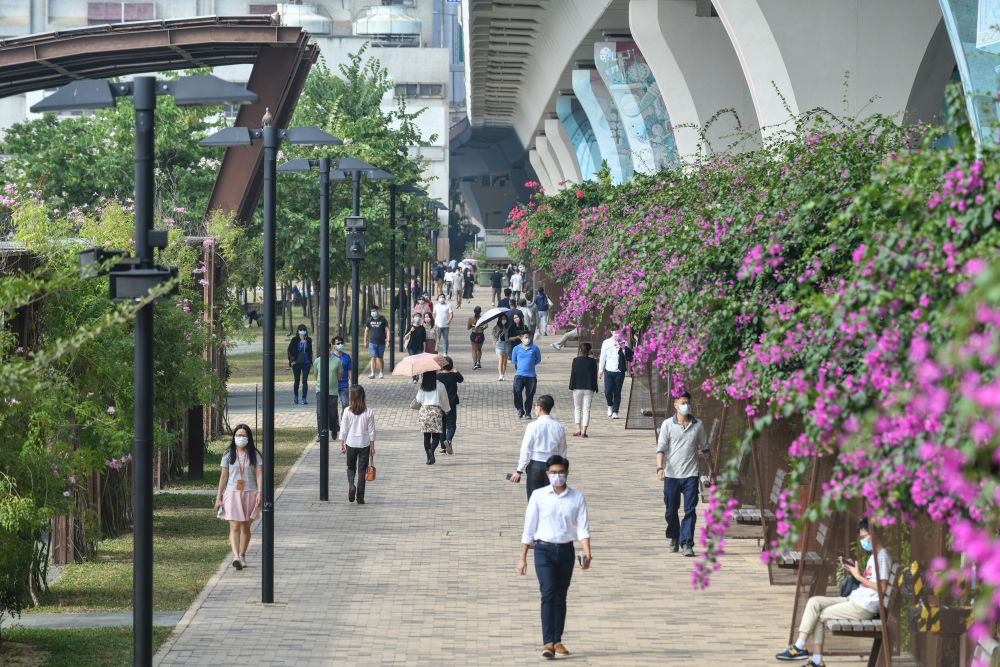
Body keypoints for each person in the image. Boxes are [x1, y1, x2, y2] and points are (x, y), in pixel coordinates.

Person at [775, 519, 893, 667]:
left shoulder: (882, 557)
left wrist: (858, 577)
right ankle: (801, 647)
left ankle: (813, 657)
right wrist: (853, 570)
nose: (863, 541)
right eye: (861, 538)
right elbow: (872, 581)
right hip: (855, 600)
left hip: (863, 608)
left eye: (864, 537)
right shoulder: (874, 555)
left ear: (874, 534)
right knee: (814, 602)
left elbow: (882, 588)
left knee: (819, 616)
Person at [517, 454, 591, 659]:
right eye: (553, 473)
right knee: (548, 592)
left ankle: (557, 640)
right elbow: (529, 528)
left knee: (560, 595)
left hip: (566, 551)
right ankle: (547, 641)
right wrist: (522, 557)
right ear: (547, 473)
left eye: (561, 472)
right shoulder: (539, 496)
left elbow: (583, 528)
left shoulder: (576, 497)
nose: (557, 476)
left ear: (567, 473)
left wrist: (587, 552)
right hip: (543, 551)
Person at [656, 391, 708, 557]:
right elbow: (661, 449)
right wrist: (660, 468)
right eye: (682, 402)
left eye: (687, 402)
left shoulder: (698, 425)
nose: (686, 405)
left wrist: (711, 469)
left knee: (690, 510)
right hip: (671, 475)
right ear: (675, 405)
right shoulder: (667, 425)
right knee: (671, 511)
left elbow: (705, 449)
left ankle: (687, 542)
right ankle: (674, 536)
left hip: (691, 475)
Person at [214, 424, 263, 571]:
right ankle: (235, 556)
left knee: (246, 526)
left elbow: (259, 473)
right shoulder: (228, 454)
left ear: (249, 437)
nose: (240, 438)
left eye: (243, 435)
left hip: (249, 492)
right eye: (238, 435)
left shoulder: (255, 454)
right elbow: (223, 476)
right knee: (234, 526)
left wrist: (260, 492)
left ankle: (242, 555)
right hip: (232, 493)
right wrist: (218, 497)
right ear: (234, 436)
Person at [510, 395, 567, 498]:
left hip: (535, 466)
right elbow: (562, 451)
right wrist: (562, 470)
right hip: (552, 466)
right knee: (551, 499)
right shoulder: (559, 427)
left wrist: (519, 470)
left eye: (535, 406)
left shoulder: (533, 426)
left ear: (539, 408)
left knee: (533, 500)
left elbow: (526, 449)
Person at [339, 385, 375, 505]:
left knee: (351, 468)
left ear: (352, 397)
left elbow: (343, 429)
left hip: (351, 443)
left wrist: (342, 443)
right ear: (363, 397)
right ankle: (360, 497)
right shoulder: (369, 412)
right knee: (362, 471)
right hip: (364, 444)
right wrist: (372, 446)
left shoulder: (347, 411)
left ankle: (351, 486)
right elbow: (371, 431)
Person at [415, 369, 451, 465]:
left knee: (426, 436)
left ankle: (428, 458)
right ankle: (432, 450)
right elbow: (444, 399)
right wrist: (447, 410)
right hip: (436, 412)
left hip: (424, 412)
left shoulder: (423, 386)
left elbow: (418, 399)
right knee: (435, 436)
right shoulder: (440, 385)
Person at [311, 338, 343, 443]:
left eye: (328, 349)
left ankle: (334, 429)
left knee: (332, 413)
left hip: (332, 391)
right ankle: (321, 434)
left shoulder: (337, 361)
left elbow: (339, 375)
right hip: (320, 390)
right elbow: (316, 375)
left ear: (331, 349)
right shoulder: (317, 361)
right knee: (320, 412)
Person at [598, 330, 632, 419]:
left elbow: (628, 357)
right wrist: (600, 370)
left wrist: (624, 349)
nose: (617, 334)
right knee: (607, 392)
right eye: (615, 332)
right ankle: (610, 405)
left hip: (619, 372)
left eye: (618, 332)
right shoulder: (606, 342)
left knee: (617, 392)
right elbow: (602, 357)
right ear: (611, 332)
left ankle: (615, 411)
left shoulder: (624, 342)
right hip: (608, 370)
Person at [568, 342, 598, 437]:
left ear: (580, 350)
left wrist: (571, 386)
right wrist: (595, 387)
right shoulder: (593, 362)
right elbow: (594, 376)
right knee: (586, 409)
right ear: (589, 351)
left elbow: (573, 374)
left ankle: (578, 429)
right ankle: (584, 431)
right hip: (589, 387)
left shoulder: (575, 360)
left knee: (577, 408)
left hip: (577, 387)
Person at [436, 356, 463, 455]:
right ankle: (448, 440)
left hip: (440, 404)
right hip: (451, 404)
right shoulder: (454, 375)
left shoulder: (438, 377)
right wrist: (456, 371)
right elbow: (461, 379)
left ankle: (443, 447)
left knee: (441, 426)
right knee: (451, 425)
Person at [511, 331, 542, 418]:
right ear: (521, 338)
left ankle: (528, 412)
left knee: (530, 394)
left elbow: (538, 359)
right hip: (519, 375)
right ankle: (520, 409)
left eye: (528, 337)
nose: (527, 339)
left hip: (531, 375)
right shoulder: (516, 349)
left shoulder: (535, 348)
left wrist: (530, 365)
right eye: (525, 337)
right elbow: (514, 361)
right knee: (517, 391)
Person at [286, 325, 313, 405]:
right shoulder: (294, 340)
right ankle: (295, 397)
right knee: (296, 380)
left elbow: (310, 351)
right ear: (298, 331)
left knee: (304, 380)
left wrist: (310, 361)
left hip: (306, 362)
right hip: (296, 362)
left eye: (303, 330)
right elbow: (290, 350)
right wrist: (291, 361)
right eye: (300, 330)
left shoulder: (308, 340)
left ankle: (304, 398)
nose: (302, 331)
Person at [364, 305, 390, 379]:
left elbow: (387, 330)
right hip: (372, 342)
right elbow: (366, 330)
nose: (373, 312)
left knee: (380, 358)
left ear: (378, 311)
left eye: (374, 311)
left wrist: (388, 340)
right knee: (373, 357)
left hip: (381, 342)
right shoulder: (369, 320)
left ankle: (381, 372)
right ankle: (372, 373)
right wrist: (365, 341)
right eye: (372, 311)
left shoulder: (383, 319)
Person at [403, 315, 427, 383]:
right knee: (413, 362)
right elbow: (405, 338)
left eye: (419, 317)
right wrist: (410, 331)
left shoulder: (422, 328)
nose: (417, 318)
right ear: (413, 318)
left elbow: (424, 340)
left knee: (418, 362)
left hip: (419, 347)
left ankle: (417, 374)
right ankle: (414, 378)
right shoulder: (410, 327)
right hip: (411, 347)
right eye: (416, 316)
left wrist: (424, 349)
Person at [332, 336, 352, 408]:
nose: (340, 345)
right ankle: (335, 419)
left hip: (344, 384)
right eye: (338, 343)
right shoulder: (330, 357)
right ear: (333, 345)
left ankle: (344, 418)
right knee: (333, 405)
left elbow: (349, 370)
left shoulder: (347, 357)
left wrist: (352, 383)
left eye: (341, 343)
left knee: (346, 404)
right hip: (332, 385)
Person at [468, 306, 486, 370]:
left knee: (474, 350)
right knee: (479, 349)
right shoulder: (483, 318)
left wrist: (473, 326)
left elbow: (468, 328)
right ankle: (478, 362)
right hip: (481, 335)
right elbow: (486, 326)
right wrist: (482, 327)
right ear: (480, 311)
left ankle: (475, 363)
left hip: (474, 335)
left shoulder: (471, 318)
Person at [494, 314, 510, 381]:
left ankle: (503, 374)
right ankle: (500, 375)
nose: (504, 320)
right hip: (499, 344)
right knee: (500, 359)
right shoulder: (497, 327)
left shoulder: (509, 327)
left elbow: (510, 335)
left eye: (505, 319)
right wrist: (498, 332)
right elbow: (494, 336)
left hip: (507, 344)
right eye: (502, 319)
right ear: (500, 319)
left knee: (505, 360)